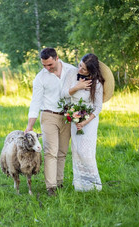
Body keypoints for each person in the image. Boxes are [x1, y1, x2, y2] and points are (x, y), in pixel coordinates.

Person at [24, 47, 91, 196]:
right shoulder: (40, 78)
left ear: (56, 58)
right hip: (49, 115)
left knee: (62, 152)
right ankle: (51, 187)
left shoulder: (72, 70)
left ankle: (59, 182)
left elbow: (81, 88)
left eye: (50, 65)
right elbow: (35, 102)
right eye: (44, 65)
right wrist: (30, 125)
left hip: (68, 116)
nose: (47, 68)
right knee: (50, 152)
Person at [61, 53, 114, 192]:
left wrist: (84, 122)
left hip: (89, 121)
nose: (80, 70)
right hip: (75, 117)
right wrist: (77, 86)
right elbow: (63, 93)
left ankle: (94, 185)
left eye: (84, 69)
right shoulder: (72, 74)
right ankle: (80, 185)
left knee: (86, 152)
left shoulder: (96, 83)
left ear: (91, 70)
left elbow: (98, 107)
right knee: (77, 150)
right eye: (80, 65)